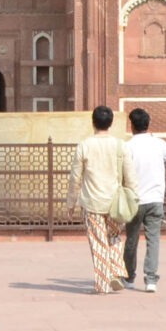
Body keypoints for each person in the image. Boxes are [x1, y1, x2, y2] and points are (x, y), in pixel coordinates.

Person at [70, 106, 133, 295]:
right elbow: (130, 175)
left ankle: (103, 283)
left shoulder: (85, 145)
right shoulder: (120, 145)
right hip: (115, 202)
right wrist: (133, 197)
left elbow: (75, 178)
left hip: (93, 203)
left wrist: (71, 202)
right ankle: (115, 271)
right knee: (114, 237)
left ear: (93, 122)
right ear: (111, 123)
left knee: (98, 242)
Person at [121, 107, 166, 292]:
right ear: (148, 124)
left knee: (131, 240)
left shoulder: (128, 146)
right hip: (155, 199)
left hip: (135, 199)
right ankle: (151, 279)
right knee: (153, 240)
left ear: (131, 125)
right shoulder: (158, 144)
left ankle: (129, 277)